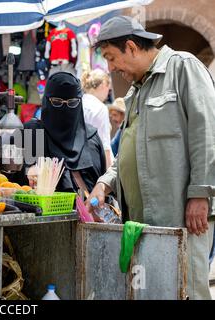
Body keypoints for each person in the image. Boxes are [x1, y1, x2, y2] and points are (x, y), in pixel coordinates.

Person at [86, 16, 215, 300]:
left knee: (188, 291)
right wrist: (105, 183)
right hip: (144, 222)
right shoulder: (136, 91)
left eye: (111, 57)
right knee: (156, 292)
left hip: (184, 217)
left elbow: (206, 133)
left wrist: (199, 194)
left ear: (131, 47)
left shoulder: (182, 67)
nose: (110, 68)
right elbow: (129, 148)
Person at [14, 72, 106, 193]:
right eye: (57, 102)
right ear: (46, 101)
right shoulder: (32, 133)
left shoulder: (91, 138)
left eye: (72, 102)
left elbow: (101, 185)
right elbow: (14, 182)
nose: (65, 109)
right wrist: (29, 171)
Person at [81, 69, 113, 169]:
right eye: (109, 90)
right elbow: (105, 145)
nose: (108, 94)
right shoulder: (100, 108)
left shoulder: (78, 103)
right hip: (94, 162)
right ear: (103, 84)